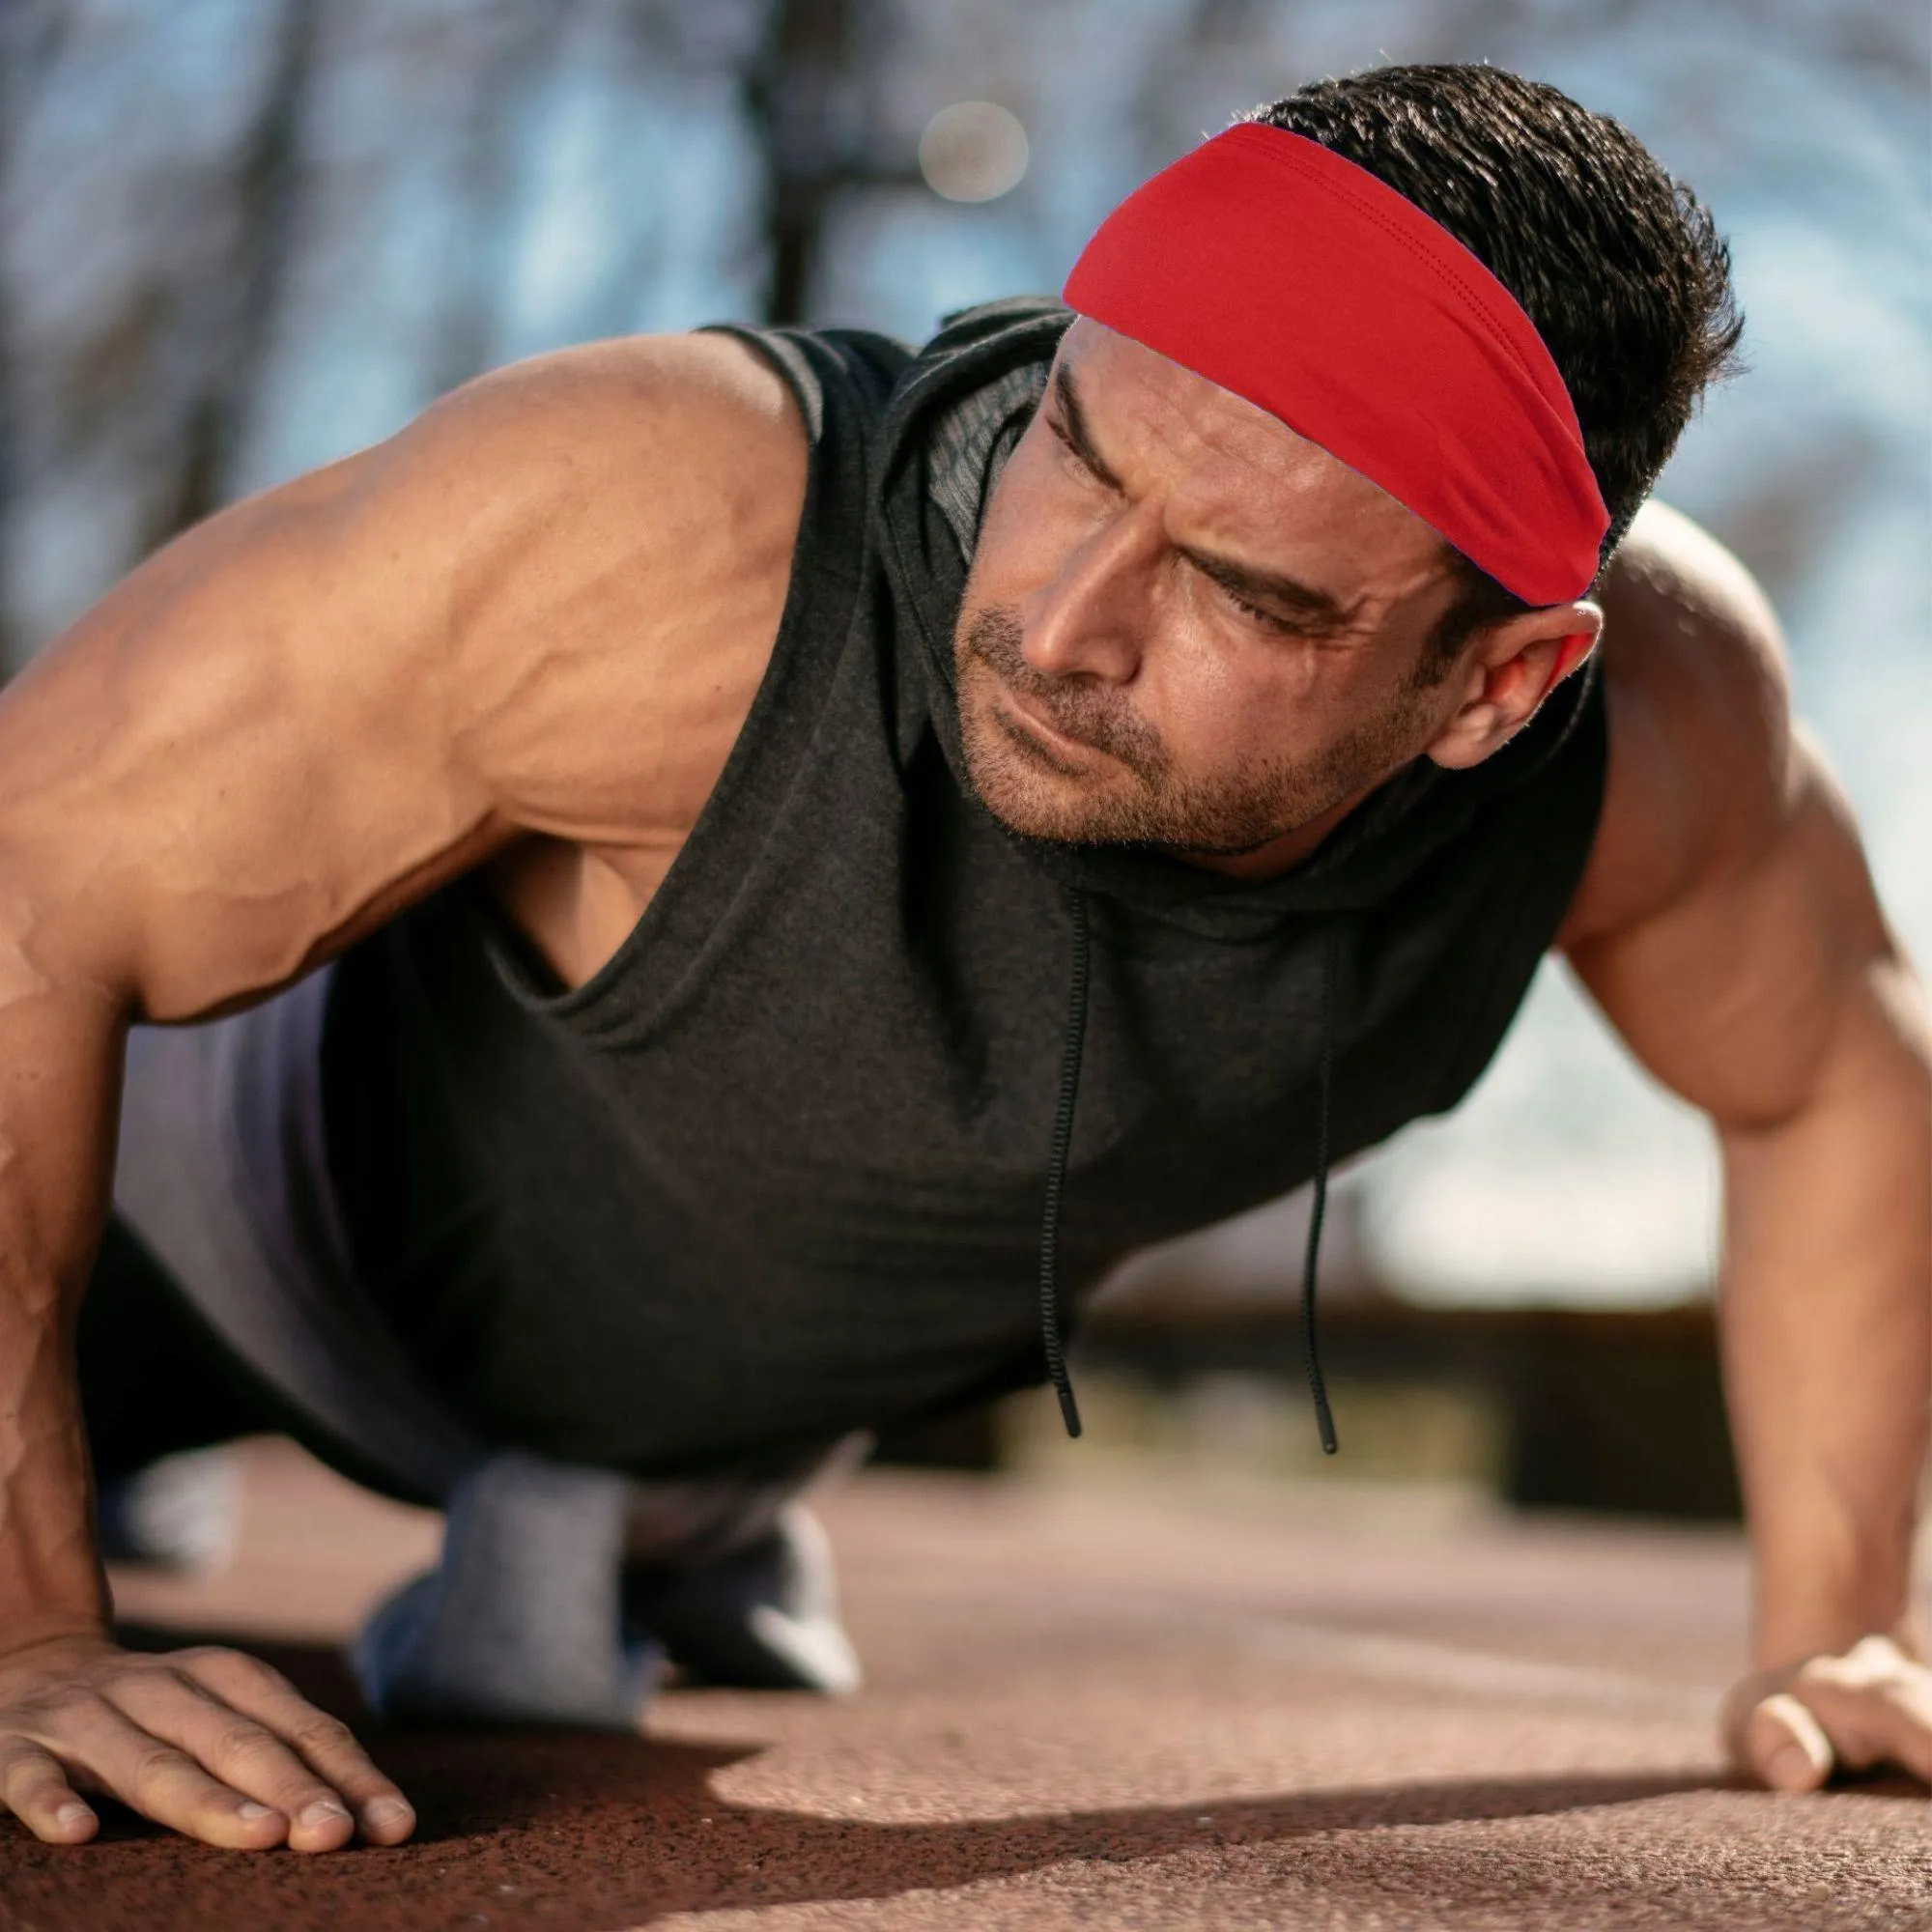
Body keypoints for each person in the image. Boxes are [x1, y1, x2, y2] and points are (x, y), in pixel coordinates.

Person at [0, 62, 1925, 1857]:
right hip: (202, 1238)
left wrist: (1832, 1630)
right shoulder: (658, 526)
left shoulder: (1658, 733)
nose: (1061, 619)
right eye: (1076, 454)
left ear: (1500, 682)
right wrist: (28, 1631)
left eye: (1244, 591)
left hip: (696, 1432)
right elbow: (33, 868)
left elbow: (1834, 1069)